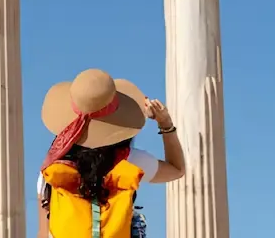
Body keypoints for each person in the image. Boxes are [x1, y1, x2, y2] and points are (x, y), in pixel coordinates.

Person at [37, 68, 185, 238]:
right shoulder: (131, 161)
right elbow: (177, 169)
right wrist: (165, 124)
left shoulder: (49, 172)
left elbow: (43, 233)